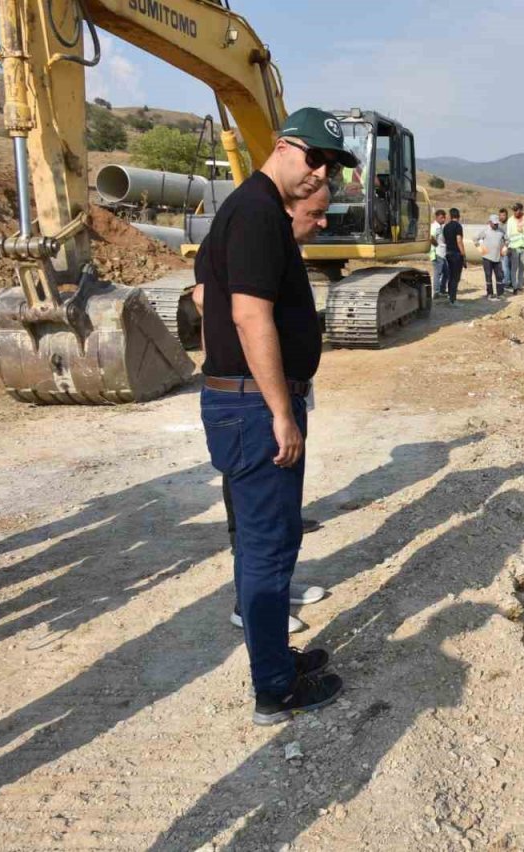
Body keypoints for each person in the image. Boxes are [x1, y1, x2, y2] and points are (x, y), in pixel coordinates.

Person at [196, 106, 356, 726]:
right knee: (266, 548)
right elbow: (248, 315)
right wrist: (280, 411)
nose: (320, 174)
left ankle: (277, 662)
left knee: (273, 537)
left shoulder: (246, 211)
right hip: (254, 408)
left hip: (243, 401)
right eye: (314, 158)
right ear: (285, 147)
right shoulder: (260, 213)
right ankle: (274, 689)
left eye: (330, 166)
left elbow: (206, 292)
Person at [193, 185, 332, 636]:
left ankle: (275, 589)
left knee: (279, 516)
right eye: (315, 213)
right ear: (285, 210)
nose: (323, 222)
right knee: (257, 521)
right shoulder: (248, 234)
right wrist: (277, 405)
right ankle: (251, 607)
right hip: (249, 400)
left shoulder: (277, 250)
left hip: (266, 393)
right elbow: (235, 316)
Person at [475, 214, 508, 300]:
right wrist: (482, 251)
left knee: (499, 276)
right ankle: (489, 293)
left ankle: (500, 294)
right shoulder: (485, 231)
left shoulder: (501, 231)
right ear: (490, 222)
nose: (496, 225)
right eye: (494, 223)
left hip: (498, 258)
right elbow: (475, 239)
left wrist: (504, 251)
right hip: (487, 258)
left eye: (497, 223)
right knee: (488, 275)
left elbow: (507, 241)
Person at [506, 202, 524, 295]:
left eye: (517, 210)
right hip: (514, 248)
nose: (515, 212)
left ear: (521, 210)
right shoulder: (510, 220)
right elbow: (508, 234)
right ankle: (514, 287)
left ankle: (520, 286)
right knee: (514, 268)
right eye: (514, 210)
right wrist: (508, 247)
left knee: (522, 268)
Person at [442, 207, 465, 306]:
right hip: (456, 254)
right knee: (456, 277)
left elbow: (443, 240)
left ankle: (450, 296)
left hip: (448, 253)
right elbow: (459, 240)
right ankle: (453, 300)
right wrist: (463, 254)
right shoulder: (458, 226)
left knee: (451, 276)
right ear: (458, 216)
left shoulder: (446, 227)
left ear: (450, 216)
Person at [430, 208, 448, 297]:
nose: (443, 219)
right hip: (437, 254)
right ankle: (436, 292)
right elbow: (431, 237)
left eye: (444, 218)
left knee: (446, 272)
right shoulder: (435, 226)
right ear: (437, 217)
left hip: (443, 254)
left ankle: (442, 290)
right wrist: (437, 246)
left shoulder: (441, 227)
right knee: (438, 273)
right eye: (441, 218)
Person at [497, 207, 512, 289]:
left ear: (506, 216)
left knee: (505, 266)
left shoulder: (508, 226)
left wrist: (505, 248)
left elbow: (508, 238)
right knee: (503, 266)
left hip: (506, 248)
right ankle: (507, 281)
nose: (502, 217)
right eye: (500, 215)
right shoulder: (498, 225)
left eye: (503, 215)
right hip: (499, 249)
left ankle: (506, 283)